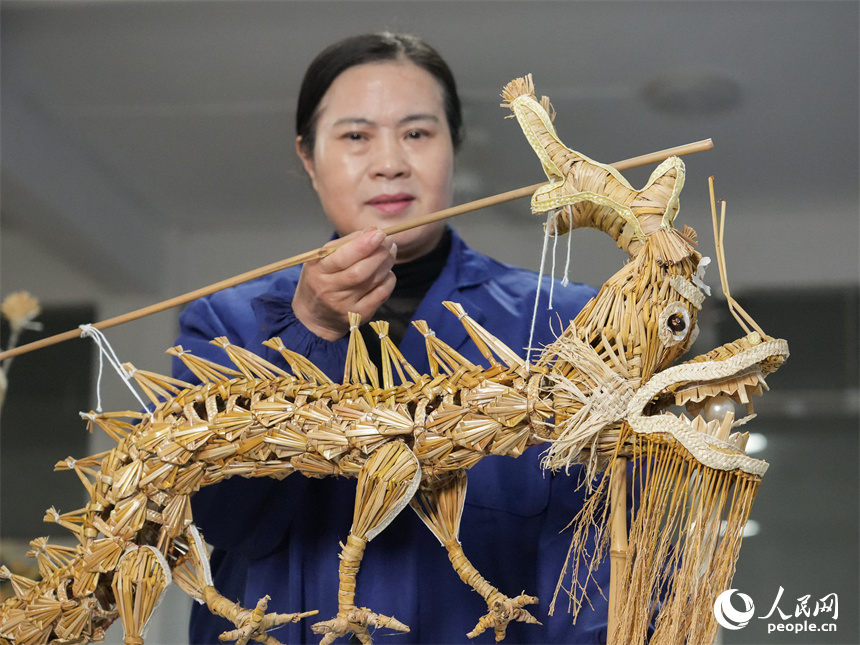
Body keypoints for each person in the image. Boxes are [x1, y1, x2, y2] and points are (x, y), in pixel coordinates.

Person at [174, 32, 608, 644]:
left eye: (417, 133)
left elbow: (606, 554)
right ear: (307, 155)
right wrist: (311, 331)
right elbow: (228, 521)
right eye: (356, 136)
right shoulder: (229, 326)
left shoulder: (568, 323)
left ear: (454, 146)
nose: (389, 162)